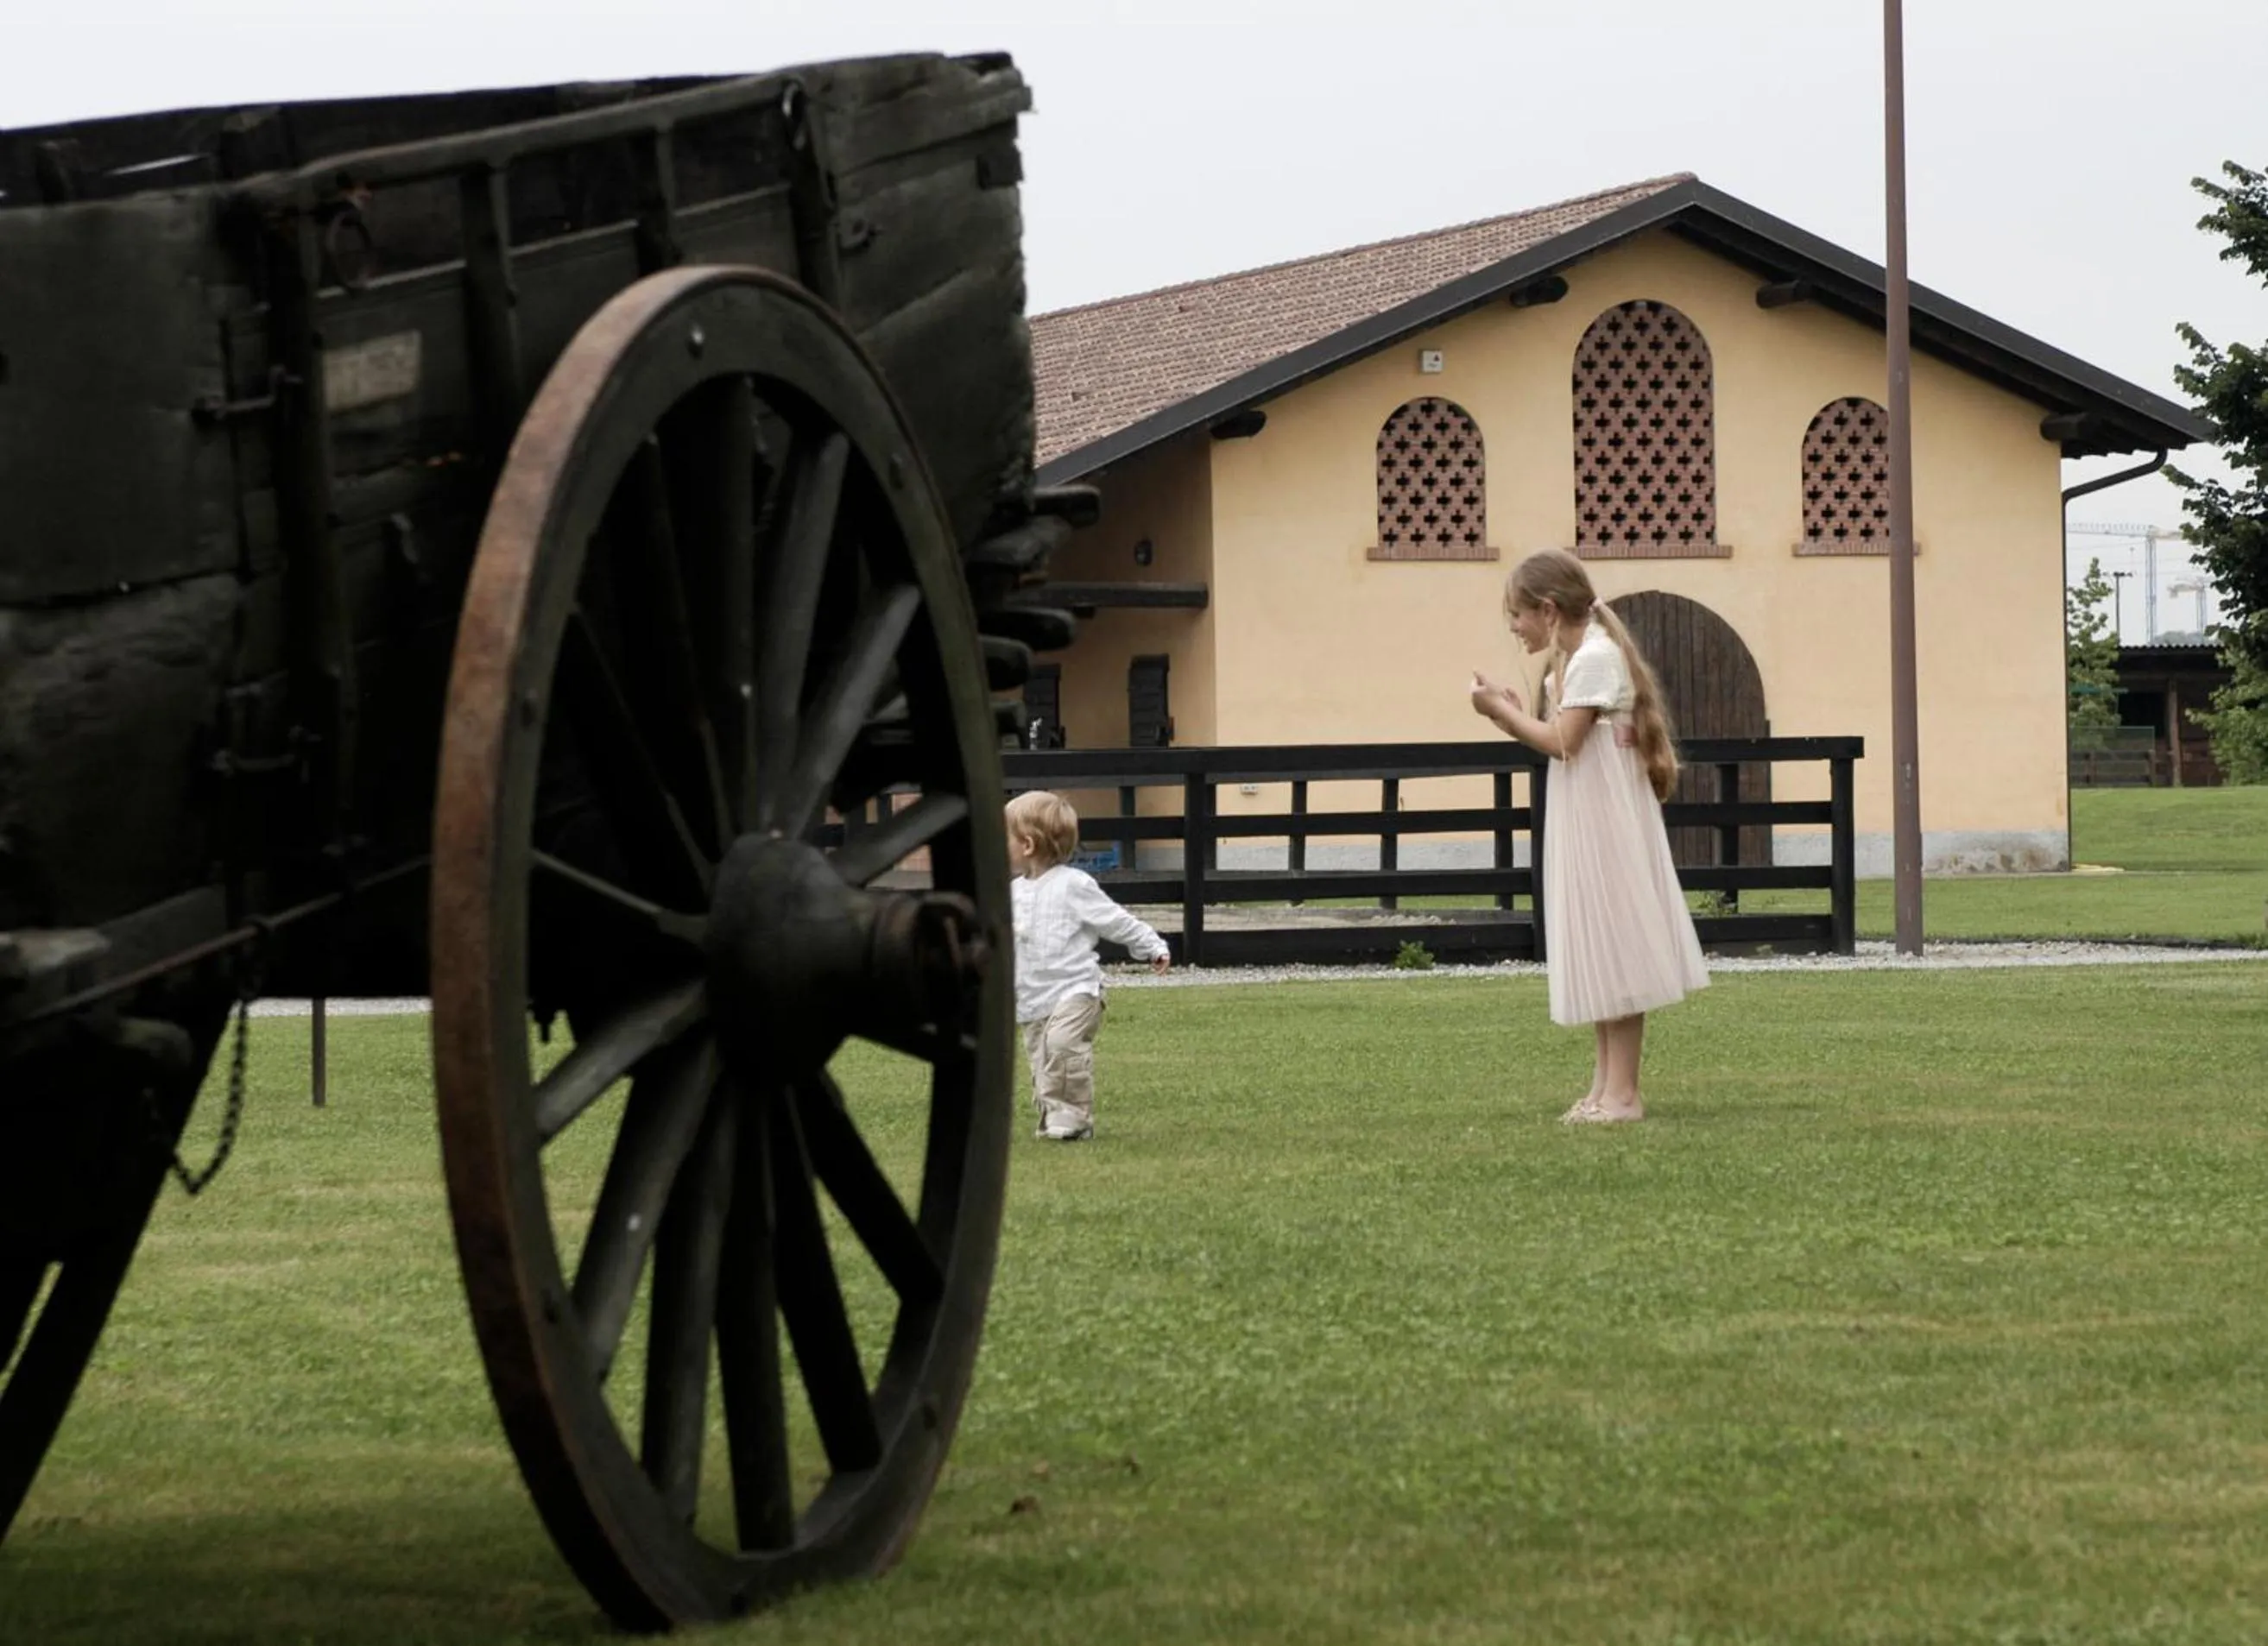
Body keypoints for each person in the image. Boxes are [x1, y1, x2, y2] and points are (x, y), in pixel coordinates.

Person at [1469, 549, 1708, 1124]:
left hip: (1605, 816)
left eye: (1518, 614)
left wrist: (1500, 714)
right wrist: (1509, 709)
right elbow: (1563, 734)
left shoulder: (1595, 657)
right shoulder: (1579, 659)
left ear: (1548, 610)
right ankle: (1604, 1086)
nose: (1514, 627)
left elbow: (1563, 742)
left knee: (1616, 941)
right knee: (1600, 941)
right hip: (1589, 809)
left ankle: (1622, 1093)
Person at [1006, 789, 1171, 1142]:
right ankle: (1055, 1117)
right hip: (1031, 997)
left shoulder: (1074, 885)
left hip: (1075, 991)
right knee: (1043, 1059)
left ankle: (1075, 1118)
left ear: (1028, 844)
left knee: (1062, 1044)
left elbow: (1115, 920)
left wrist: (1152, 946)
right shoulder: (1011, 892)